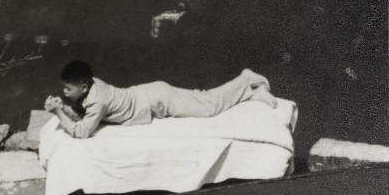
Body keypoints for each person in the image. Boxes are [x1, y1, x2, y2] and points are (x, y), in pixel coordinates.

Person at [44, 60, 277, 140]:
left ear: (84, 87)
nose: (64, 91)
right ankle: (252, 93)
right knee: (202, 98)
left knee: (208, 107)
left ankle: (245, 80)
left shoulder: (98, 100)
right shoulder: (92, 85)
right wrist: (64, 107)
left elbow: (81, 132)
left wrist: (58, 112)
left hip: (157, 100)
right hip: (151, 94)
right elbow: (83, 116)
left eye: (68, 88)